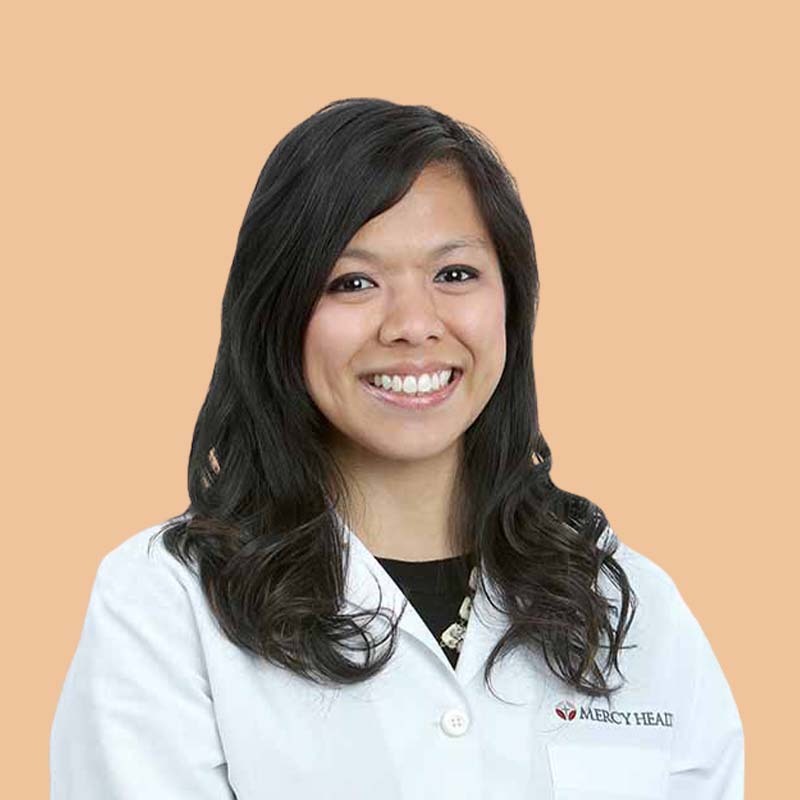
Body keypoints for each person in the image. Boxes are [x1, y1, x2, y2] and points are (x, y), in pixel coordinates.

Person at [50, 97, 744, 799]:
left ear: (513, 302)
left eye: (455, 275)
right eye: (354, 282)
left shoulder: (631, 606)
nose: (414, 325)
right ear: (277, 314)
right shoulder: (164, 608)